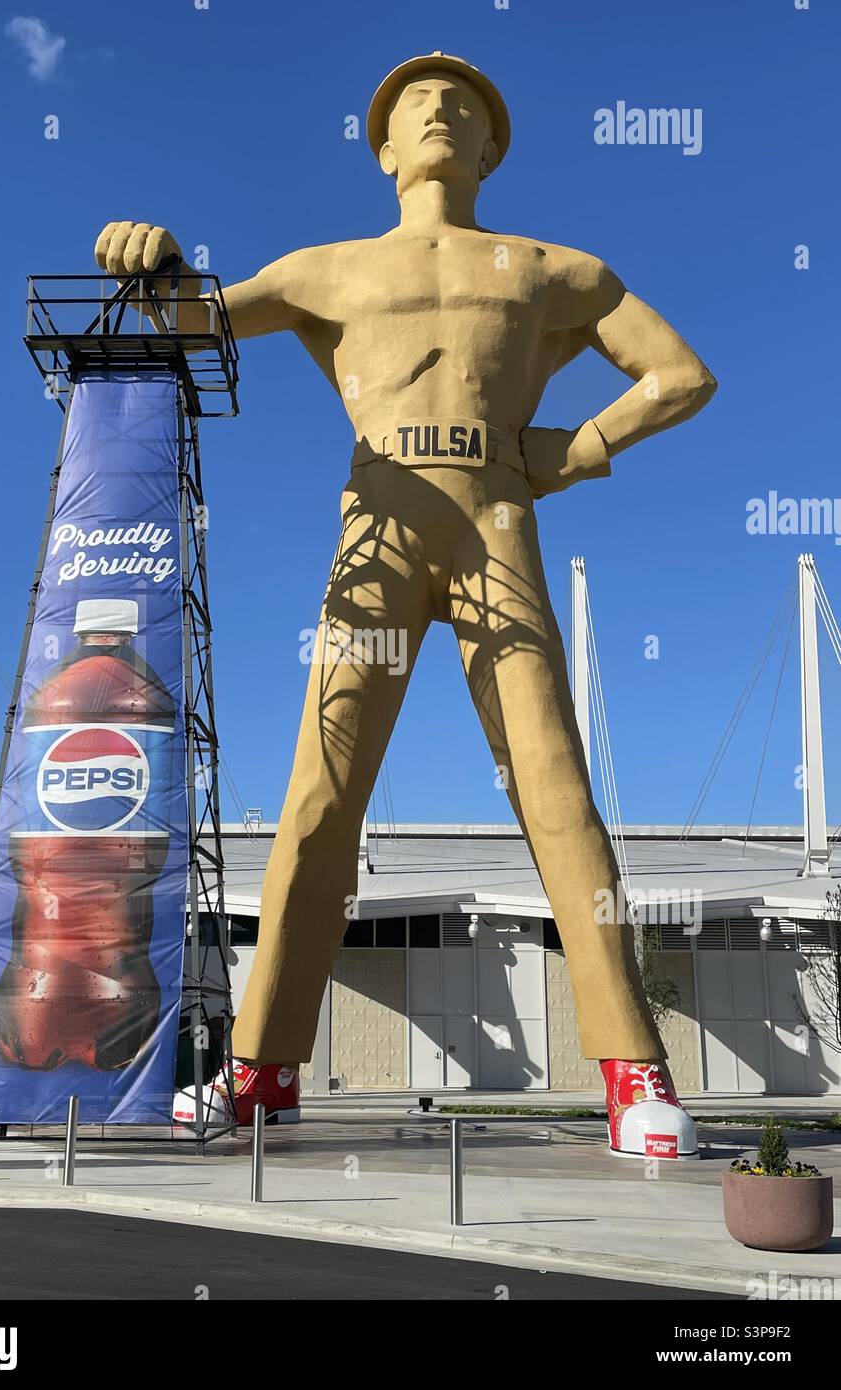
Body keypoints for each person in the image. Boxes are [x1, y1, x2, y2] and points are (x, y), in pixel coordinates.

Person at [96, 52, 716, 1157]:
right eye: (412, 104)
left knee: (556, 787)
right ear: (382, 150)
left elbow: (679, 373)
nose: (438, 108)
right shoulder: (326, 269)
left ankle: (634, 1070)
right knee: (318, 796)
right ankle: (260, 1067)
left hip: (497, 526)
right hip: (377, 528)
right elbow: (193, 320)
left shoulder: (546, 266)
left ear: (490, 147)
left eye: (463, 103)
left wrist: (572, 448)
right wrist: (156, 262)